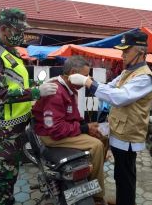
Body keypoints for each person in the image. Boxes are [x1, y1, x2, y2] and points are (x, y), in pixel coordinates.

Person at [0, 7, 58, 205]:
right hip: (4, 130)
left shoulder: (11, 53)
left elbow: (18, 85)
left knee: (4, 173)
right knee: (4, 177)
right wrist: (37, 93)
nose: (22, 35)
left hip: (17, 126)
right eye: (17, 30)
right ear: (3, 29)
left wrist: (40, 85)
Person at [69, 29, 152, 205]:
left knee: (125, 176)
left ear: (140, 51)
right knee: (121, 174)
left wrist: (88, 82)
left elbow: (119, 97)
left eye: (126, 50)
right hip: (118, 131)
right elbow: (109, 87)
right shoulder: (127, 72)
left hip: (128, 137)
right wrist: (92, 84)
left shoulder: (144, 77)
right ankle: (122, 200)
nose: (122, 55)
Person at [32, 56, 107, 205]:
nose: (87, 80)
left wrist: (87, 126)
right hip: (51, 135)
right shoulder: (56, 92)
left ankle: (92, 171)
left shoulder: (70, 88)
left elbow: (73, 116)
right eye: (85, 76)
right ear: (73, 72)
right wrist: (84, 128)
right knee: (96, 145)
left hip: (61, 129)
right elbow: (56, 129)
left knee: (103, 134)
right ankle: (97, 196)